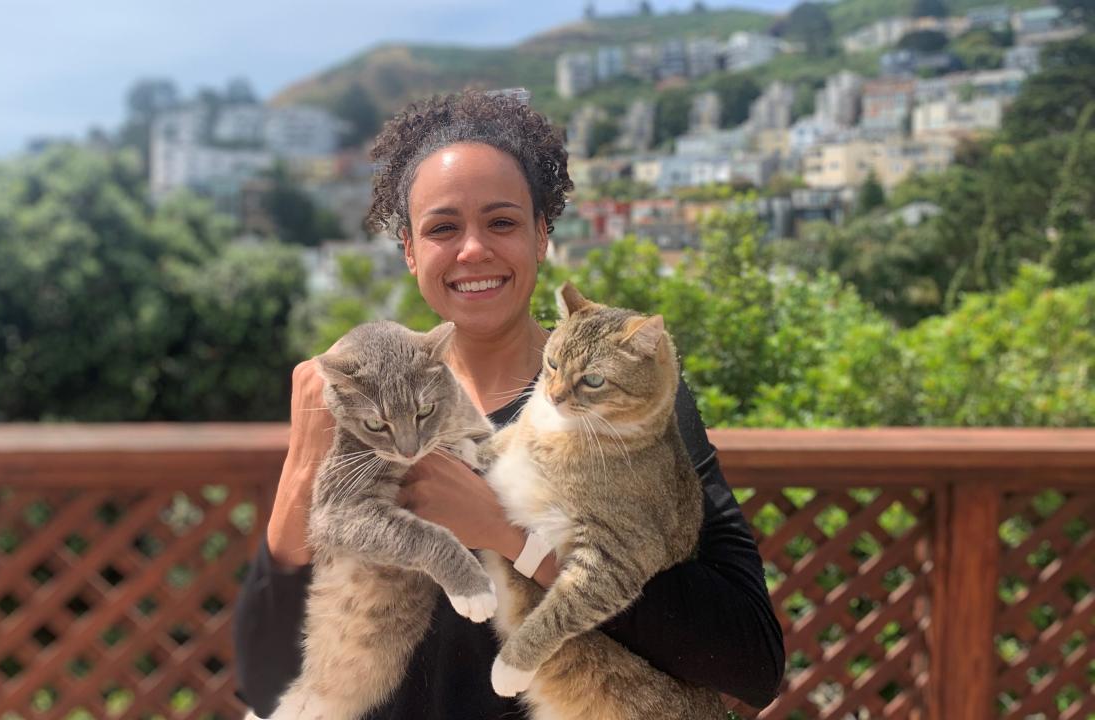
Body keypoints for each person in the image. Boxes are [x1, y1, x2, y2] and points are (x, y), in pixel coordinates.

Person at [233, 90, 785, 719]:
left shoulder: (621, 405)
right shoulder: (372, 407)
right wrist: (306, 460)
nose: (473, 250)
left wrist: (508, 534)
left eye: (501, 222)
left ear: (541, 236)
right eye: (442, 228)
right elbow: (264, 676)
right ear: (410, 251)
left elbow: (751, 660)